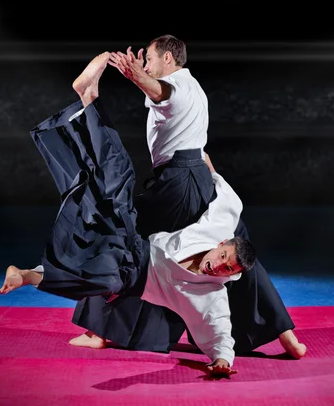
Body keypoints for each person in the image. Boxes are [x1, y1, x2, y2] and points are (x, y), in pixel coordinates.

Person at [0, 52, 255, 377]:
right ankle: (89, 99)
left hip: (133, 279)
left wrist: (222, 361)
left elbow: (219, 332)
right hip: (137, 245)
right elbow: (229, 201)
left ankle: (27, 276)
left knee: (102, 279)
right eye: (223, 256)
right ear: (222, 243)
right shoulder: (218, 225)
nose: (218, 266)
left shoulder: (210, 293)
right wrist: (206, 167)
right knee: (118, 179)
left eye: (226, 268)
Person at [68, 35, 307, 359]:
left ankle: (100, 331)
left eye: (150, 59)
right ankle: (285, 334)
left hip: (178, 185)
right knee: (236, 247)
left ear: (168, 58)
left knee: (125, 242)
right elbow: (195, 141)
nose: (147, 64)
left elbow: (163, 93)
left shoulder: (177, 87)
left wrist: (138, 77)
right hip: (196, 175)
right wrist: (209, 173)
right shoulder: (194, 88)